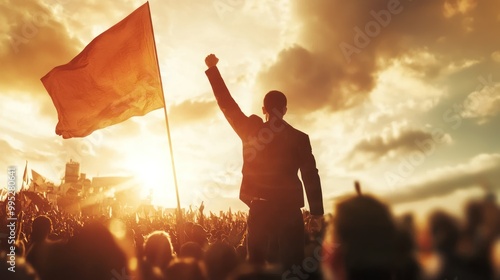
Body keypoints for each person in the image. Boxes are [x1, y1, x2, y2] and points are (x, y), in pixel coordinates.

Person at [204, 54, 324, 269]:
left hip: (261, 209)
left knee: (256, 266)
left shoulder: (251, 132)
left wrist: (213, 70)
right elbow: (310, 174)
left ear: (263, 110)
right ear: (285, 110)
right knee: (293, 266)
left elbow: (227, 105)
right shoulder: (300, 138)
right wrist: (316, 211)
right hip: (289, 210)